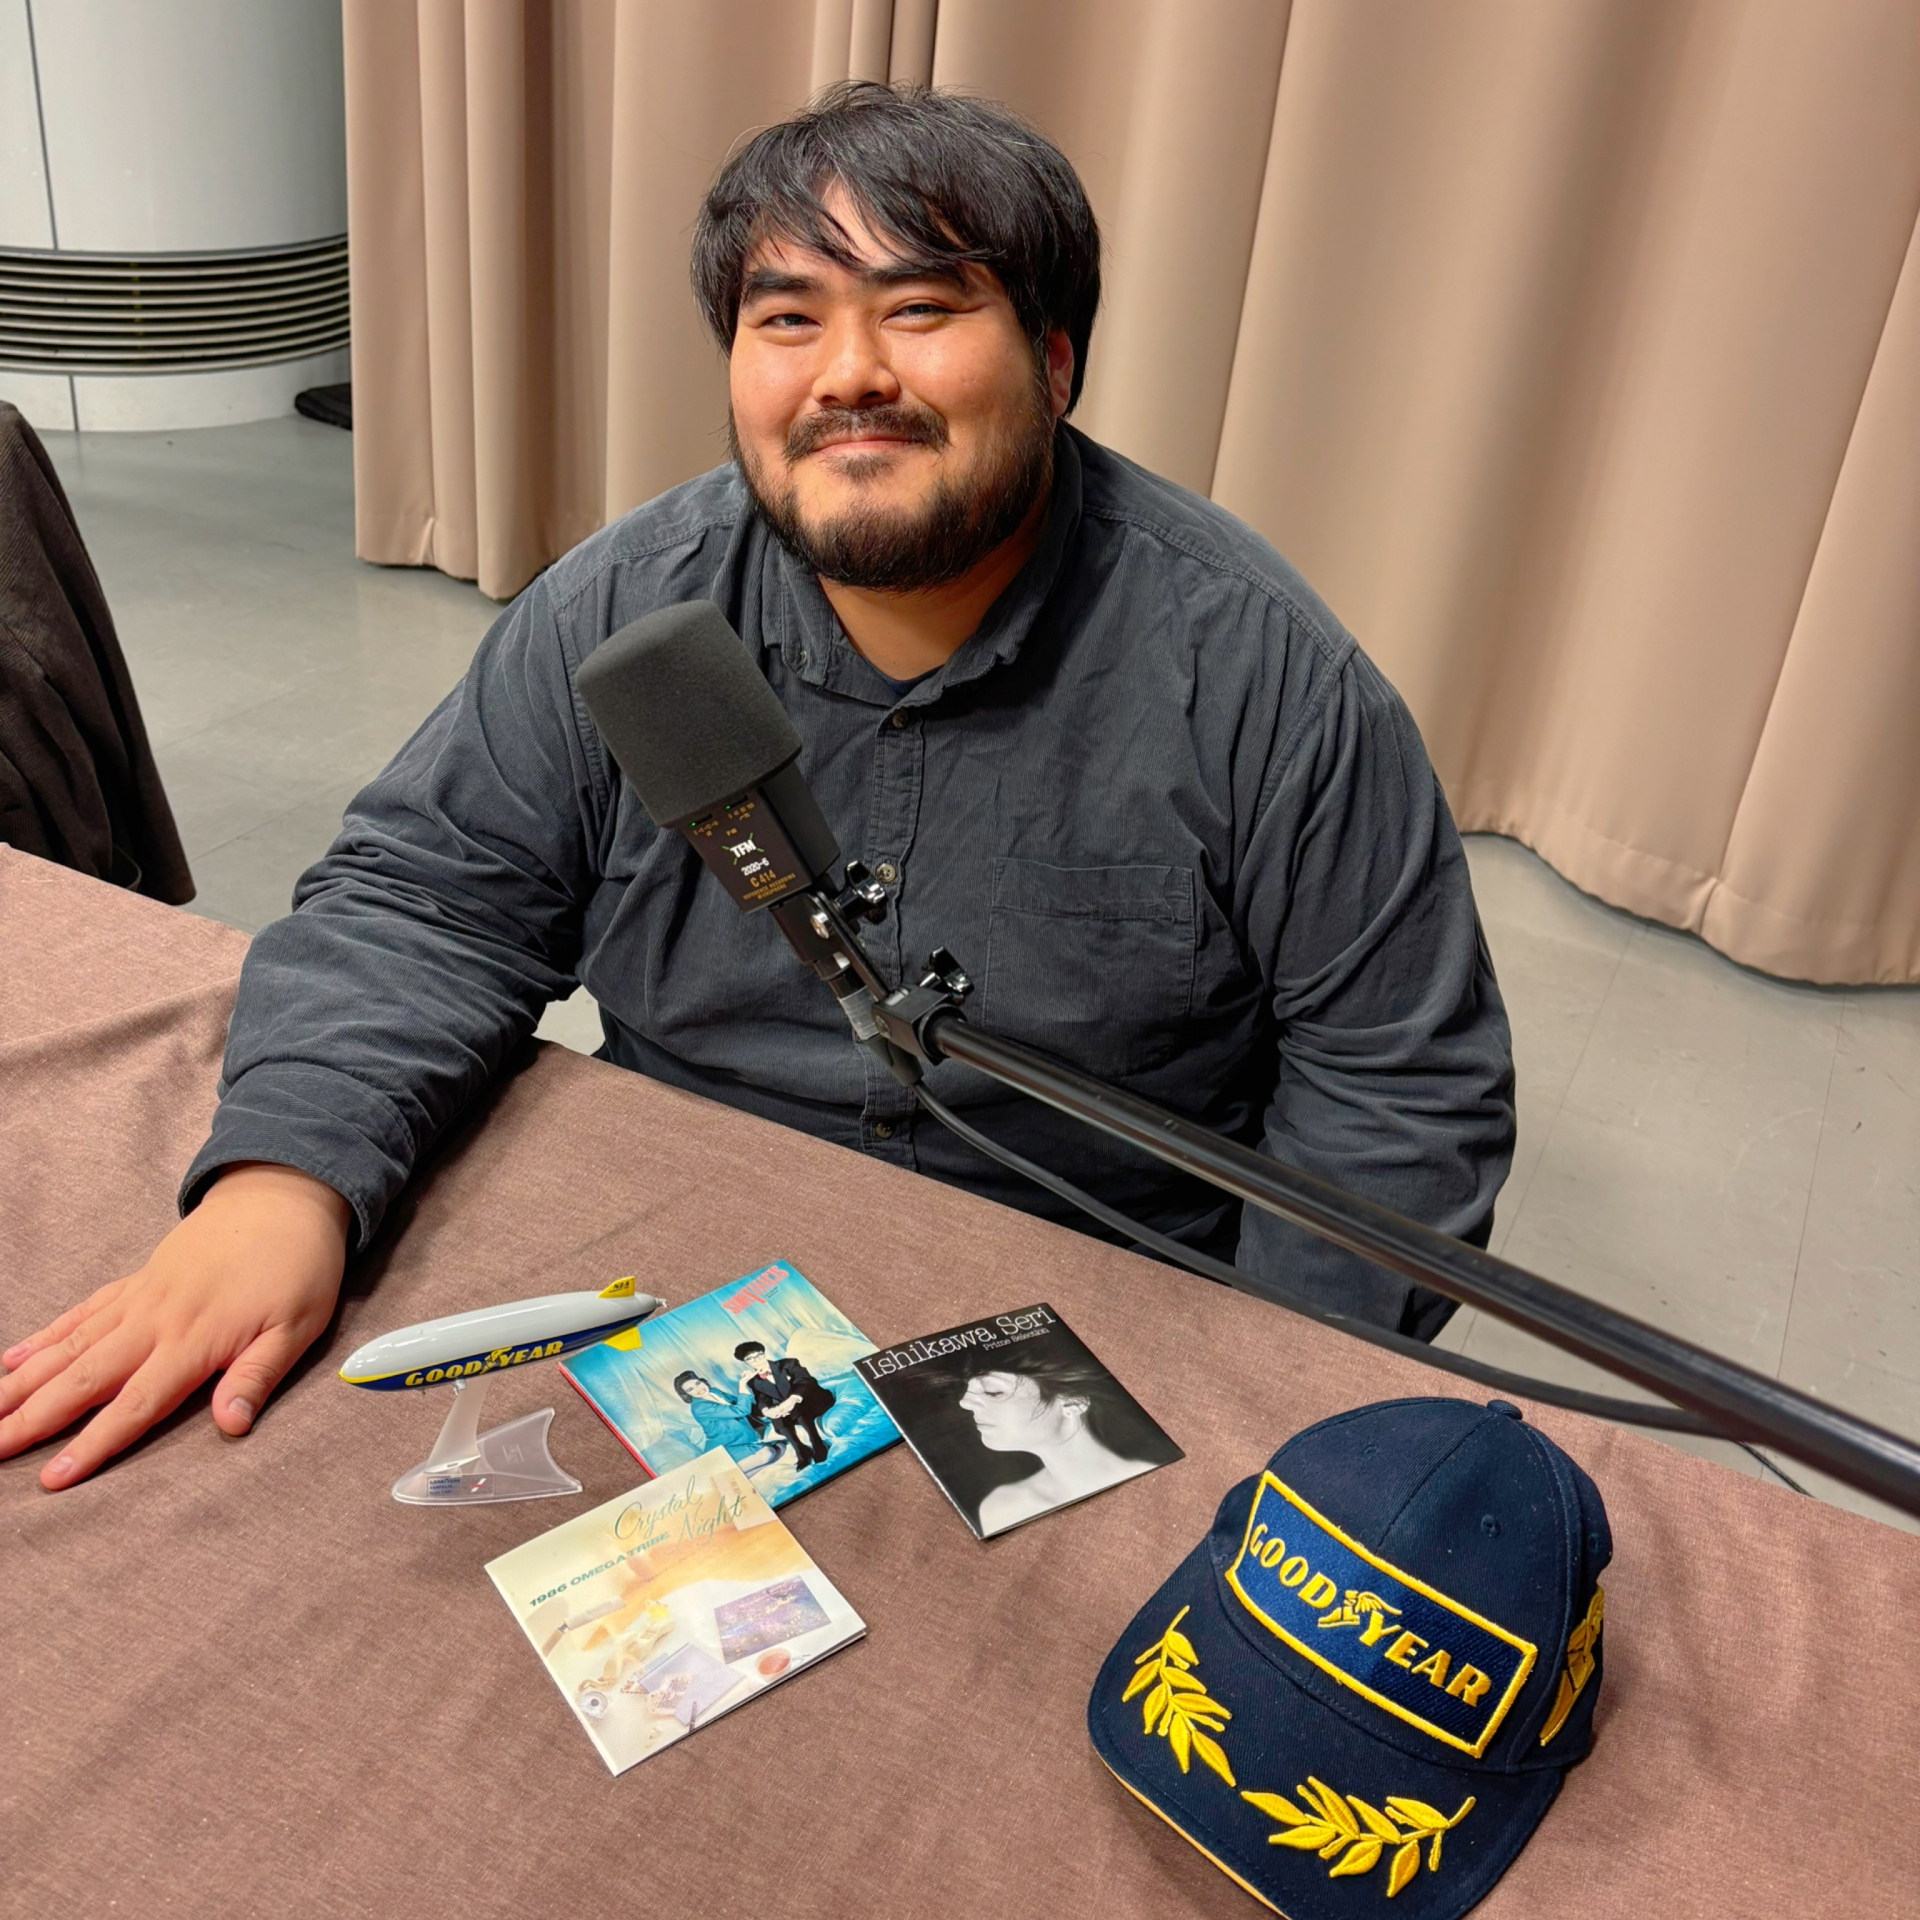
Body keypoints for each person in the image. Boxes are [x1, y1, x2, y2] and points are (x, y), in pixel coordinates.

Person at [0, 82, 1514, 1494]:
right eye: (788, 319)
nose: (850, 375)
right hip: (687, 1253)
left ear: (1055, 363)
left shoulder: (1265, 678)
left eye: (921, 310)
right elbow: (426, 904)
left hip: (1093, 1306)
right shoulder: (624, 614)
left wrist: (1275, 1403)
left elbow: (1396, 1089)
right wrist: (282, 1187)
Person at [958, 1351, 1162, 1536]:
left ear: (1073, 1403)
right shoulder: (1001, 1507)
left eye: (993, 1391)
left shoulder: (1155, 1488)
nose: (965, 1402)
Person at [734, 1341, 835, 1469]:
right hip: (794, 1410)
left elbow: (805, 1381)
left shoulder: (789, 1363)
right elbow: (762, 1399)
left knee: (793, 1406)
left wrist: (792, 1400)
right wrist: (767, 1411)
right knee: (776, 1414)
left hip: (814, 1400)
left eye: (759, 1355)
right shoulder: (754, 1381)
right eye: (750, 1358)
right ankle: (801, 1450)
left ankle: (818, 1444)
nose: (757, 1360)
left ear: (764, 1354)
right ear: (745, 1362)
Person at [672, 1369, 785, 1476]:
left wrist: (770, 1413)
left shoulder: (714, 1391)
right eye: (690, 1389)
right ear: (687, 1395)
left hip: (742, 1439)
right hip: (724, 1448)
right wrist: (742, 1384)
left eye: (697, 1383)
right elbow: (741, 1410)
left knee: (780, 1447)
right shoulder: (699, 1408)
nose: (698, 1389)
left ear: (702, 1381)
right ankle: (726, 1476)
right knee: (769, 1454)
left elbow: (742, 1404)